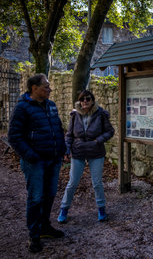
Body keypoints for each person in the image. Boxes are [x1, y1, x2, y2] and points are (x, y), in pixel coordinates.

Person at [8, 73, 66, 253]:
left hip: (53, 159)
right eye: (46, 86)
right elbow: (14, 137)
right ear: (35, 88)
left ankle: (44, 227)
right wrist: (31, 156)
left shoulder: (51, 105)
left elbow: (58, 128)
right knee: (35, 198)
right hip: (35, 162)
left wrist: (62, 150)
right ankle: (34, 235)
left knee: (49, 194)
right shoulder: (22, 108)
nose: (50, 89)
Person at [57, 90, 114, 224]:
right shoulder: (75, 115)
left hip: (95, 152)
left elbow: (110, 131)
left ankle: (101, 209)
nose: (85, 102)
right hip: (78, 152)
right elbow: (69, 135)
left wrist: (98, 140)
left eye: (88, 99)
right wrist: (67, 150)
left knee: (97, 183)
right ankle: (64, 209)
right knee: (72, 183)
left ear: (92, 100)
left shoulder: (101, 114)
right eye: (82, 99)